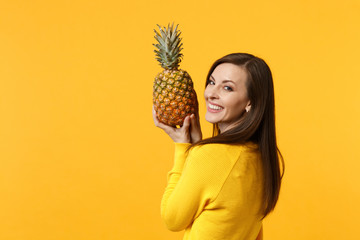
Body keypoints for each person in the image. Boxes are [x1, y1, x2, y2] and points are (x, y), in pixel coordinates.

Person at [153, 53, 284, 240]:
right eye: (212, 82)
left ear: (250, 102)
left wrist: (183, 148)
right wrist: (197, 145)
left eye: (228, 88)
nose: (211, 94)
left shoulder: (208, 156)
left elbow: (172, 219)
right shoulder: (263, 158)